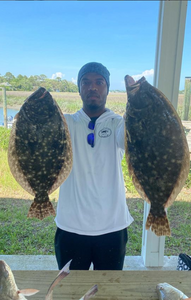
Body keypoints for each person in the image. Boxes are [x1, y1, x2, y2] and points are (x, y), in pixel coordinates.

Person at [54, 62, 134, 271]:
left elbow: (130, 140)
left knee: (107, 291)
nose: (93, 87)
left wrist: (137, 103)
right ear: (79, 89)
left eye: (99, 82)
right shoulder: (66, 123)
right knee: (70, 291)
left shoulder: (118, 123)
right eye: (86, 82)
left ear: (107, 88)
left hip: (112, 228)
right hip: (70, 227)